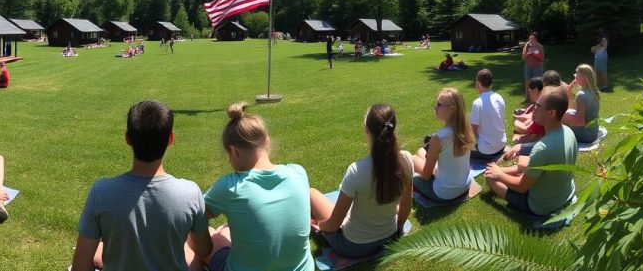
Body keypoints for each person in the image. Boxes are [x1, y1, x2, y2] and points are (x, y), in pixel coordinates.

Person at [72, 100, 211, 271]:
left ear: (128, 138)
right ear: (170, 139)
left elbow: (80, 266)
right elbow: (204, 249)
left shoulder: (102, 192)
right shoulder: (190, 193)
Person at [202, 102, 314, 271]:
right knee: (226, 230)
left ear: (233, 151)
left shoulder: (231, 186)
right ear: (267, 142)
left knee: (211, 234)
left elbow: (196, 215)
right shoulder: (298, 172)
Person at [309, 104, 413, 259]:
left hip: (353, 247)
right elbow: (406, 205)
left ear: (367, 129)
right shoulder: (406, 160)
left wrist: (320, 226)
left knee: (311, 193)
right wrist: (398, 230)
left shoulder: (357, 171)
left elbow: (334, 224)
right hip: (389, 238)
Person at [484, 87, 577, 218]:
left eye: (538, 106)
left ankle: (497, 171)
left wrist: (498, 174)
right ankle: (498, 170)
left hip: (542, 206)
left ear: (551, 113)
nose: (533, 108)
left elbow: (521, 187)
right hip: (564, 193)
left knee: (490, 178)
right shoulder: (569, 132)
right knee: (523, 166)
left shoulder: (542, 148)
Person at [411, 88, 474, 204]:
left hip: (443, 193)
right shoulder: (466, 129)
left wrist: (431, 171)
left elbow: (426, 176)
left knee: (413, 159)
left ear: (452, 109)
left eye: (439, 105)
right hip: (465, 185)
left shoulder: (440, 137)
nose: (435, 107)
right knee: (421, 151)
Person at [469, 69, 506, 162]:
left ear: (478, 83)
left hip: (487, 151)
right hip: (501, 145)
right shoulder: (499, 97)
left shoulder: (477, 103)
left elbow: (473, 131)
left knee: (459, 147)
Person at [561, 64, 601, 144]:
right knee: (569, 111)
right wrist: (572, 85)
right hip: (593, 132)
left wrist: (563, 117)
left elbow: (580, 122)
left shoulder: (581, 95)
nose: (575, 77)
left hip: (586, 135)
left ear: (584, 77)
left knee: (561, 115)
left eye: (577, 75)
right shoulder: (593, 91)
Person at [512, 77, 545, 143]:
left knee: (516, 124)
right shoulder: (542, 102)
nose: (529, 94)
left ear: (535, 90)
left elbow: (529, 131)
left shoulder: (540, 108)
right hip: (539, 132)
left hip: (540, 137)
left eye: (530, 91)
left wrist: (516, 122)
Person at [521, 33, 545, 101]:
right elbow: (523, 58)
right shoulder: (527, 46)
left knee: (538, 82)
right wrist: (527, 54)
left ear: (536, 39)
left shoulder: (540, 46)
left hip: (538, 67)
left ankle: (539, 98)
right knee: (528, 82)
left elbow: (542, 59)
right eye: (530, 39)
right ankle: (528, 98)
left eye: (533, 39)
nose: (531, 40)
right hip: (528, 66)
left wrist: (534, 55)